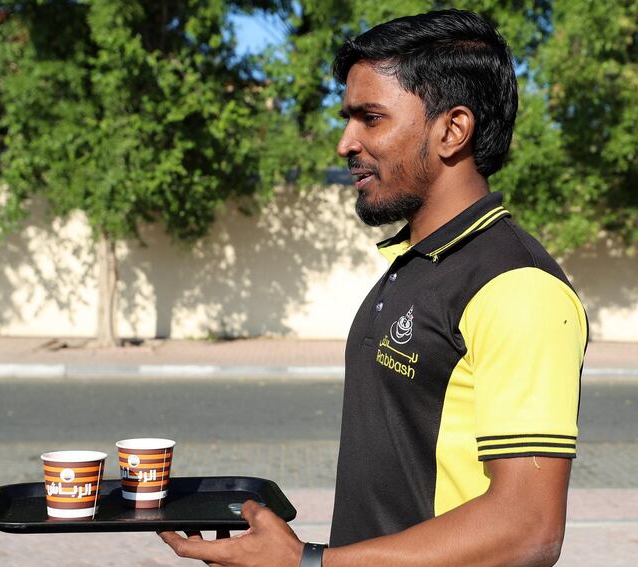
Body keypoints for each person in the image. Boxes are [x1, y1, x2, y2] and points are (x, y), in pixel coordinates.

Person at [159, 8, 587, 567]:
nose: (345, 142)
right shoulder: (417, 261)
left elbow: (526, 529)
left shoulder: (516, 287)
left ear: (452, 130)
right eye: (347, 118)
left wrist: (306, 562)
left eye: (370, 118)